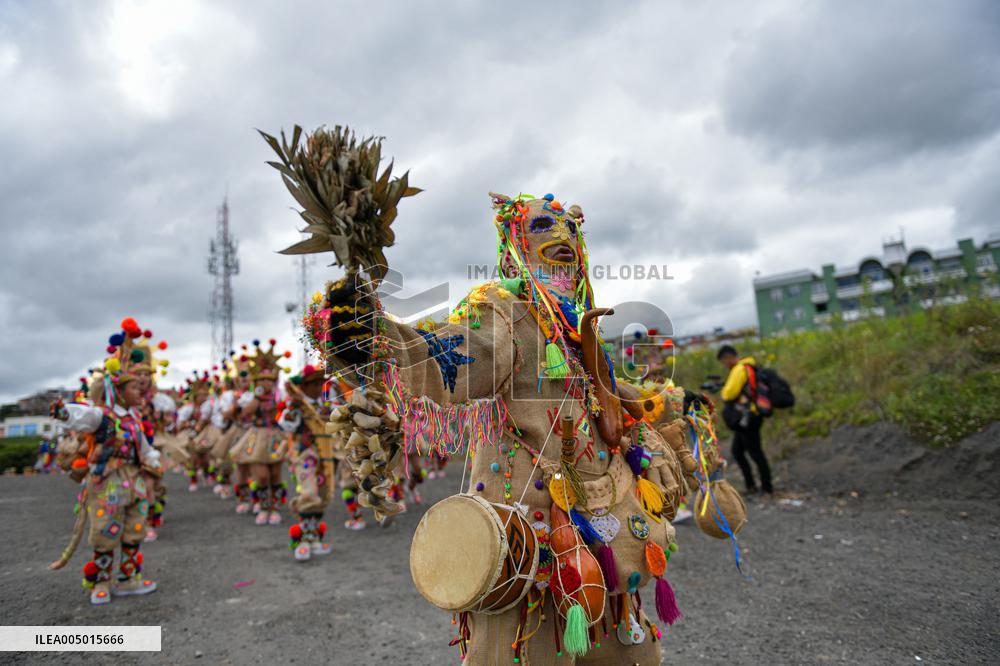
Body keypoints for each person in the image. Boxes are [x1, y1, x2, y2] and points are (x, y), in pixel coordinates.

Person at [52, 317, 161, 605]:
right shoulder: (102, 415)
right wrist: (64, 413)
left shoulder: (134, 419)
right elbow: (82, 415)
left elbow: (145, 448)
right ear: (119, 390)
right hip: (107, 481)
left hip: (133, 480)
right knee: (105, 530)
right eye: (135, 387)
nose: (141, 389)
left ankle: (128, 579)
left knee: (134, 527)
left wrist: (153, 461)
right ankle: (100, 581)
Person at [280, 364, 335, 560]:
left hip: (326, 456)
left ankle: (314, 538)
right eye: (313, 383)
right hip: (305, 456)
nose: (318, 386)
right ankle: (301, 539)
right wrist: (294, 409)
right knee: (309, 492)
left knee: (323, 495)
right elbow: (286, 424)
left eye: (320, 382)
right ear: (303, 386)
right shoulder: (296, 404)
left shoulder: (326, 404)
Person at [716, 344, 773, 496]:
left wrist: (722, 391)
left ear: (728, 357)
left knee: (755, 453)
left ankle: (766, 487)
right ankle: (752, 485)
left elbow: (728, 394)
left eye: (724, 361)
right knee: (738, 451)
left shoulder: (739, 369)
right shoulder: (748, 366)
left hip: (748, 418)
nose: (725, 364)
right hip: (749, 417)